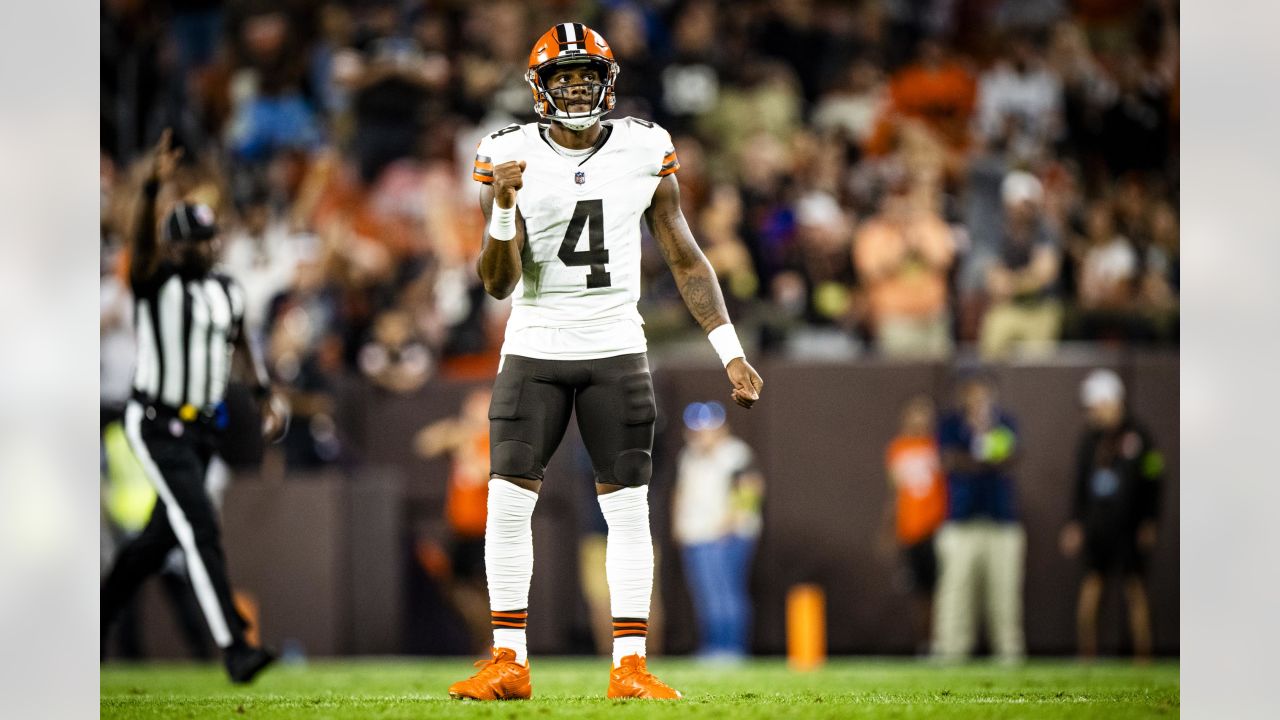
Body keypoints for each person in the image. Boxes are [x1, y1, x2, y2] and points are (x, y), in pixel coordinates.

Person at [447, 23, 764, 702]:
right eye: (564, 77)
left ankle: (630, 666)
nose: (578, 86)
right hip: (534, 346)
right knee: (507, 502)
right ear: (540, 88)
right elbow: (498, 283)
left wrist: (729, 351)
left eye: (588, 75)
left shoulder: (646, 148)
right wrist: (503, 205)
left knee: (627, 508)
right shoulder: (505, 153)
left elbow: (685, 254)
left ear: (609, 81)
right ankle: (508, 660)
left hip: (617, 346)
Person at [100, 130, 288, 684]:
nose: (203, 251)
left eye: (209, 241)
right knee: (199, 525)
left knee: (155, 542)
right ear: (172, 248)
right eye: (192, 244)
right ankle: (235, 646)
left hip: (203, 429)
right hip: (156, 422)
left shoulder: (226, 290)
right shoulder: (155, 282)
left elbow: (241, 345)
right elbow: (139, 245)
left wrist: (261, 395)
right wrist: (154, 185)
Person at [1060, 369, 1163, 660]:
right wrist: (1075, 523)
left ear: (1111, 402)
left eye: (1096, 407)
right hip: (1098, 525)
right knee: (1092, 587)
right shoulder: (1088, 441)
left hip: (1130, 525)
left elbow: (1155, 480)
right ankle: (1087, 656)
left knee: (1135, 589)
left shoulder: (1140, 437)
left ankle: (1144, 657)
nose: (1092, 414)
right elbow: (1079, 485)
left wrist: (1149, 520)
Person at [932, 374, 1026, 663]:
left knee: (1005, 591)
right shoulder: (950, 425)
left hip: (1001, 520)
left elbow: (1010, 458)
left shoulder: (1005, 423)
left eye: (982, 394)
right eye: (972, 394)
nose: (977, 400)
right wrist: (985, 457)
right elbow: (950, 460)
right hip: (961, 520)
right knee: (955, 589)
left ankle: (1008, 649)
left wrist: (983, 450)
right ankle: (950, 648)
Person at [672, 402, 764, 662]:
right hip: (697, 534)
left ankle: (731, 648)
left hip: (727, 535)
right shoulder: (688, 456)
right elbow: (681, 492)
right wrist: (678, 524)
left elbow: (751, 488)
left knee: (726, 593)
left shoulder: (735, 454)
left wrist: (730, 524)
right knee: (706, 595)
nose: (701, 434)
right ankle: (713, 647)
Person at [880, 395, 946, 654]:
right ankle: (925, 644)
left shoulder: (937, 445)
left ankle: (943, 642)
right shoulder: (898, 448)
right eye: (916, 413)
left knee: (942, 590)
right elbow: (895, 492)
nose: (920, 419)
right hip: (911, 529)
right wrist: (889, 529)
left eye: (925, 413)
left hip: (936, 528)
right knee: (919, 592)